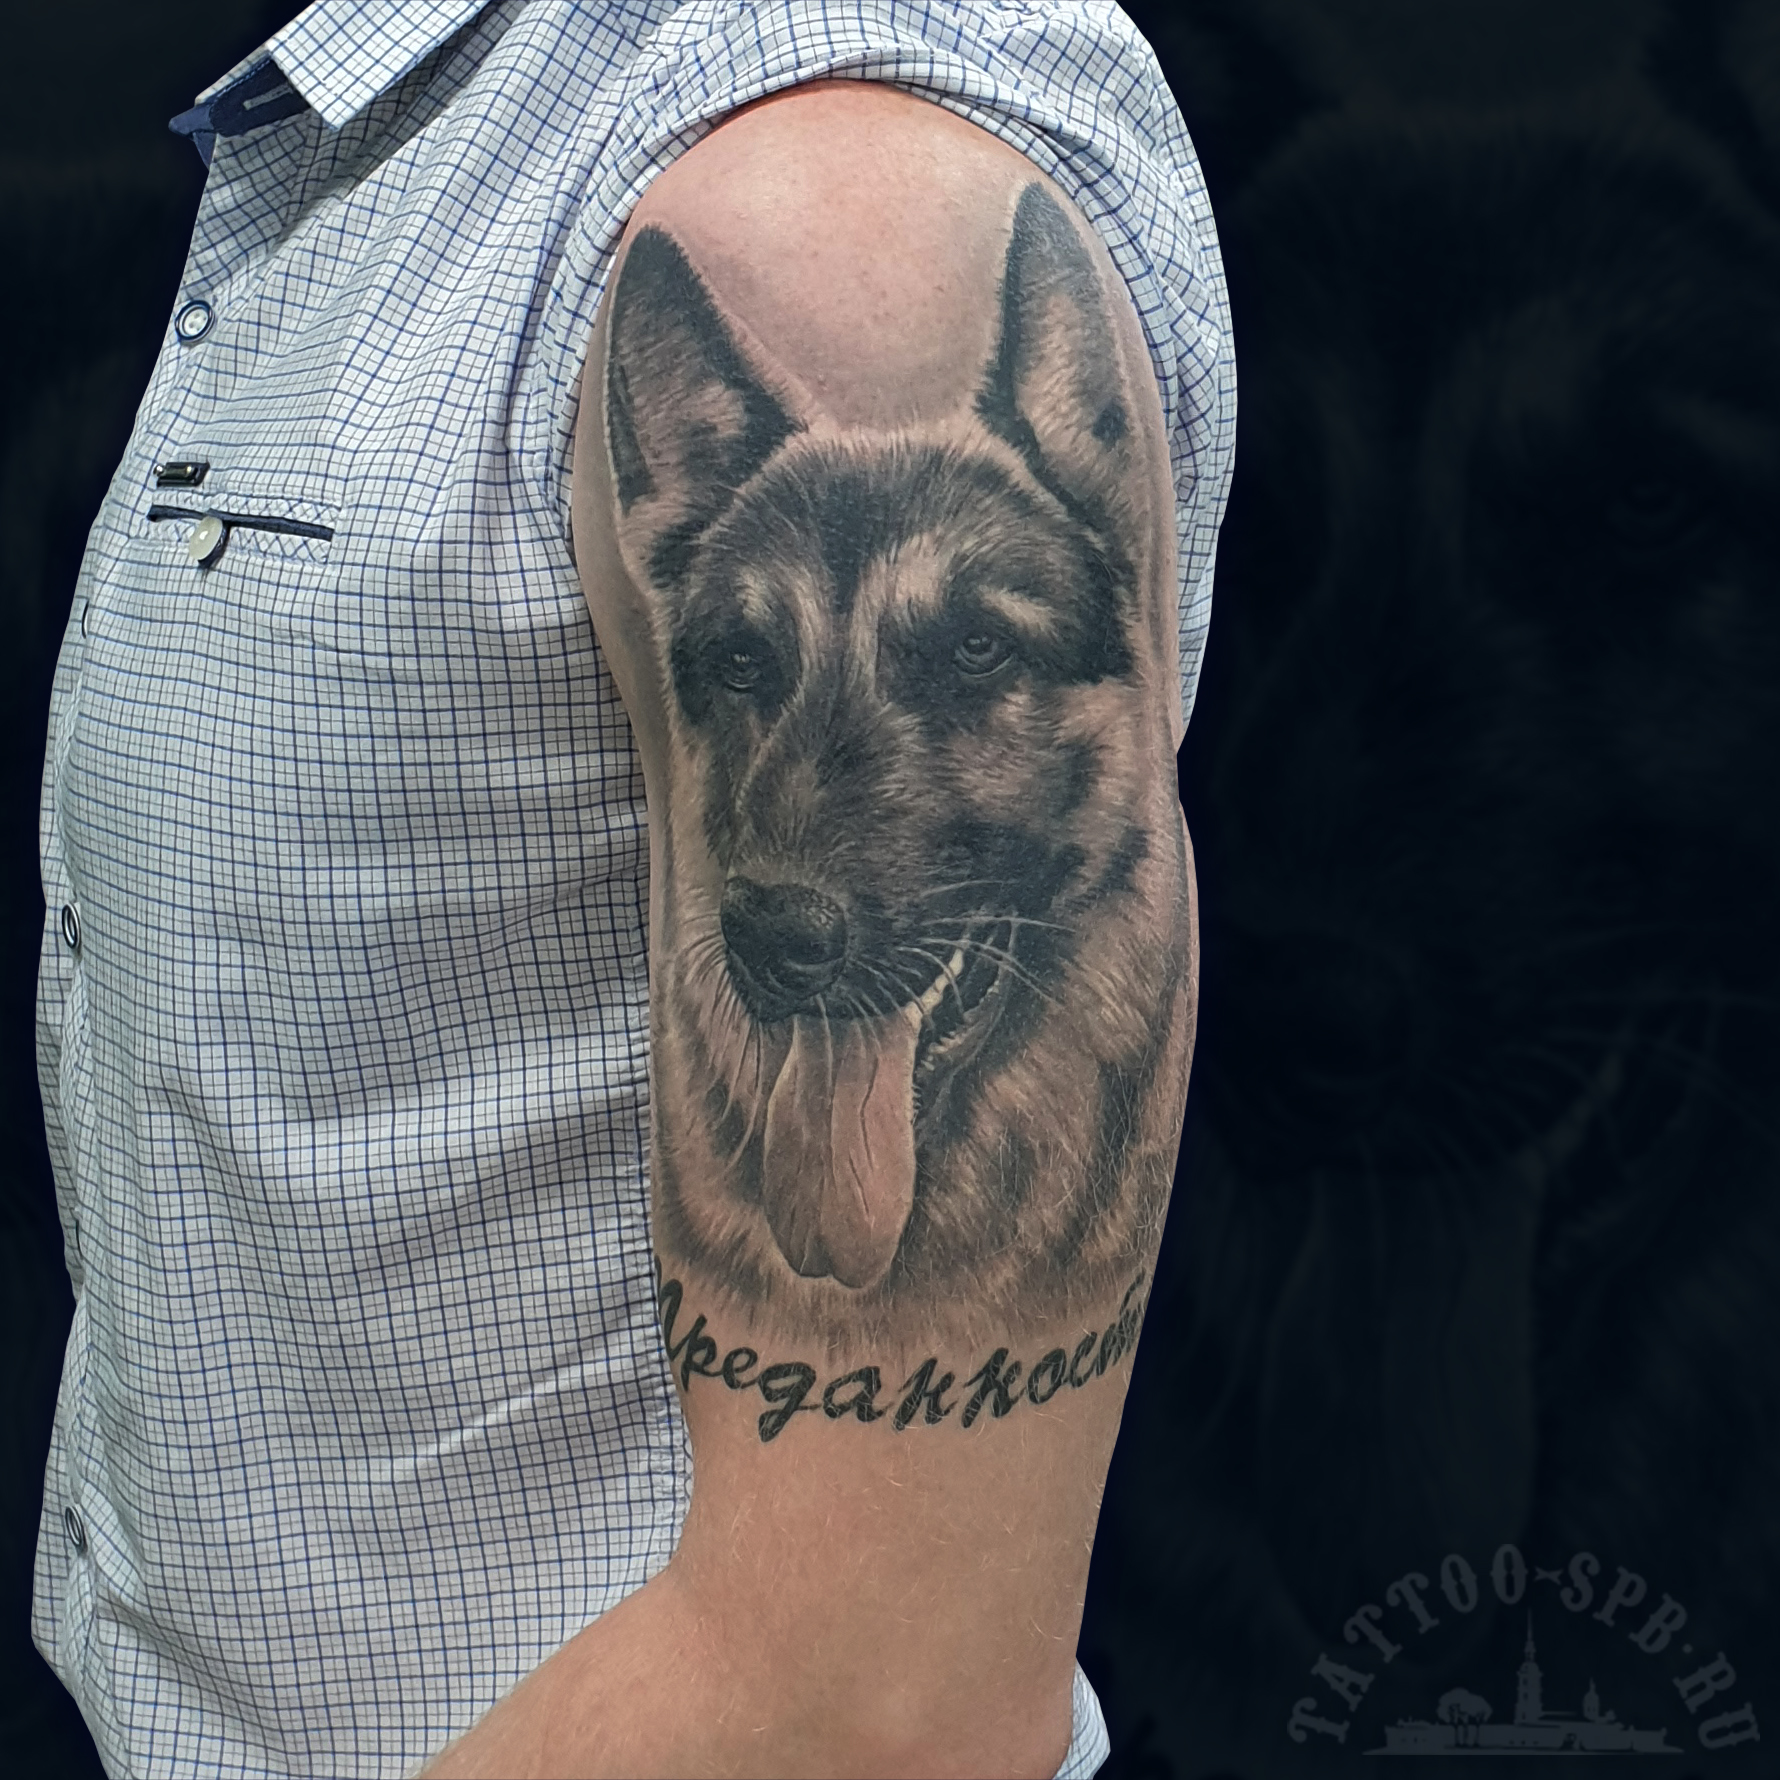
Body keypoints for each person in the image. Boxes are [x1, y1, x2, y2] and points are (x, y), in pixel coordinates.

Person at [31, 2, 1234, 1774]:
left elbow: (869, 1712)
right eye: (758, 666)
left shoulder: (825, 198)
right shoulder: (453, 126)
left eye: (966, 656)